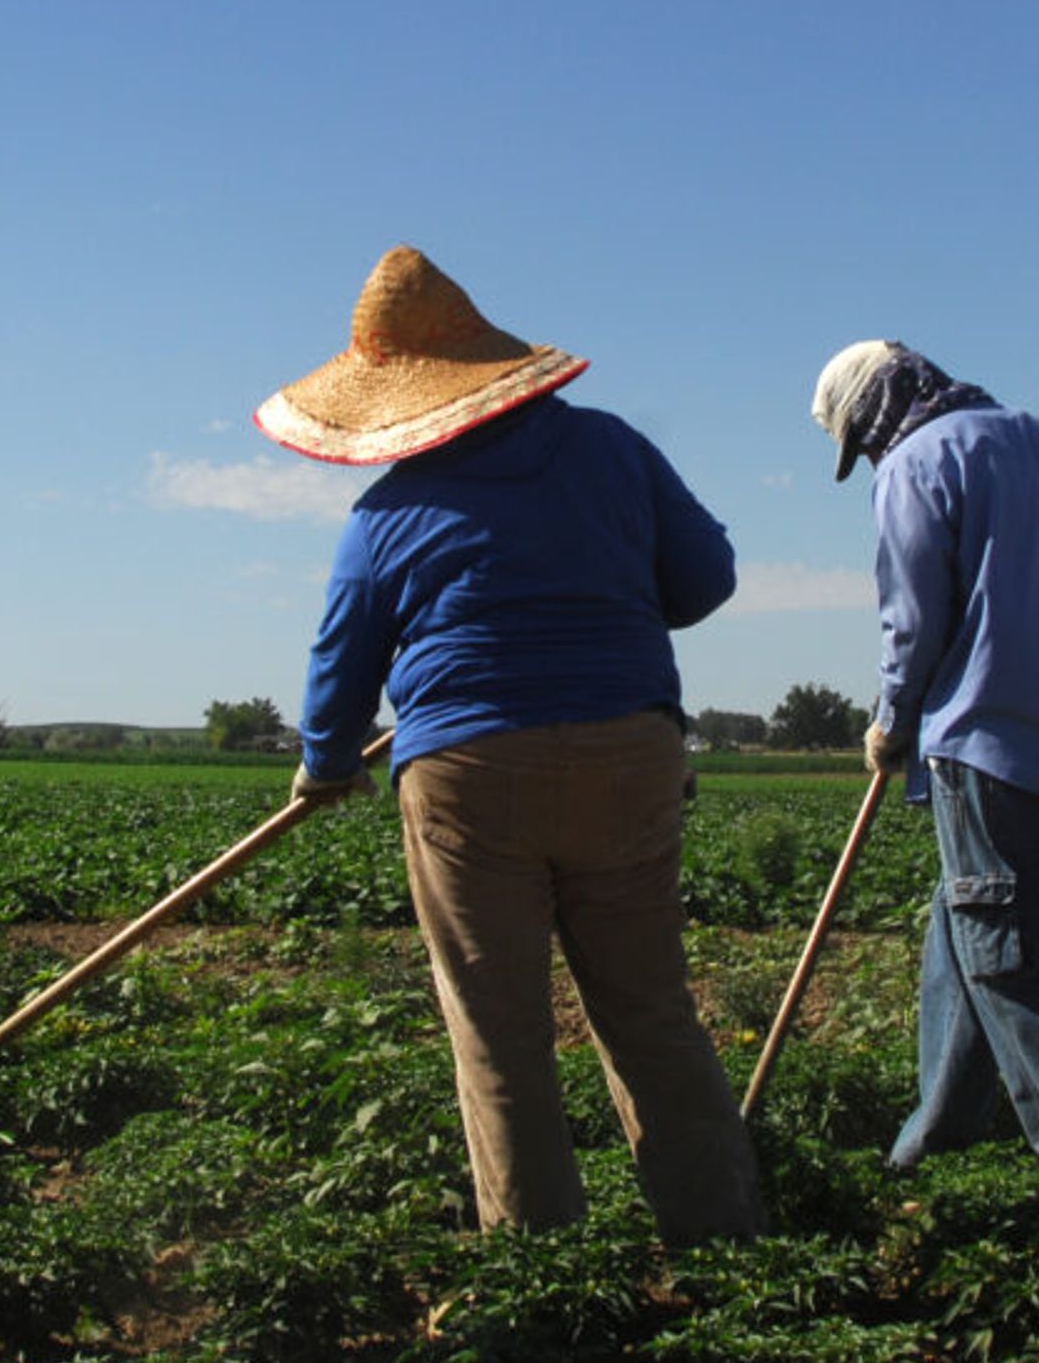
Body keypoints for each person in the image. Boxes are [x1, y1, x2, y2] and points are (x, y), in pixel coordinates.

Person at [266, 246, 763, 1244]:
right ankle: (723, 1242)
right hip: (630, 750)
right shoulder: (616, 450)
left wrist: (324, 761)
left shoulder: (390, 512)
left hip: (471, 773)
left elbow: (341, 661)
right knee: (650, 1009)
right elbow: (704, 579)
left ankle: (544, 1263)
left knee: (499, 1030)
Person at [808, 340, 1039, 1186]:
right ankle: (931, 1147)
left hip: (984, 739)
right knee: (964, 936)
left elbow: (914, 619)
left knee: (1012, 958)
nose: (870, 452)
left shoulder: (915, 464)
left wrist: (891, 721)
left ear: (874, 410)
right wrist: (1032, 575)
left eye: (860, 437)